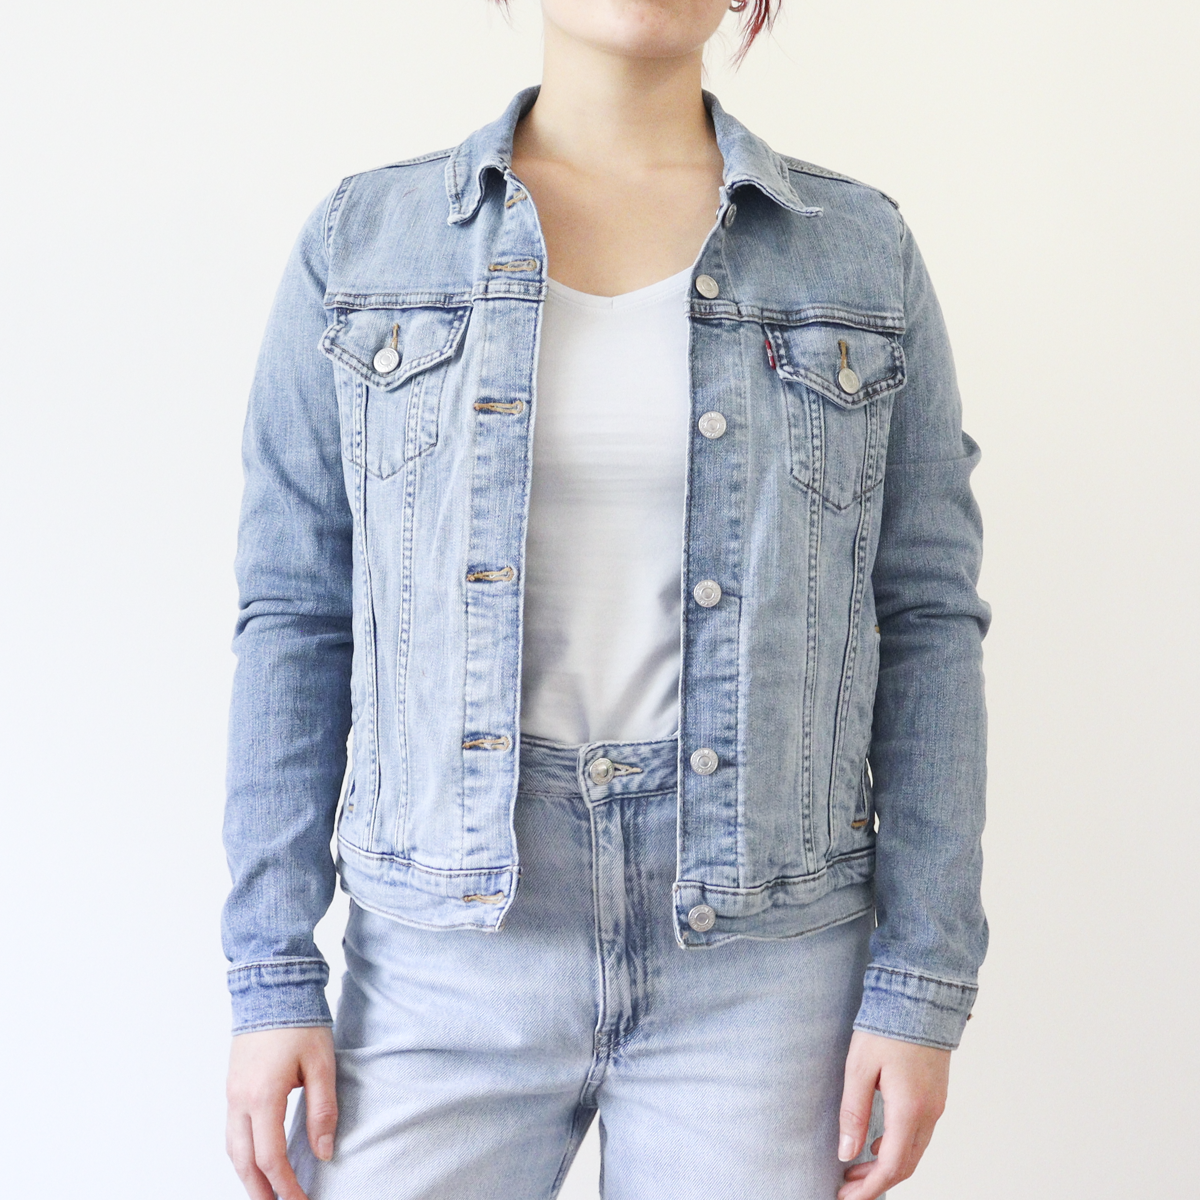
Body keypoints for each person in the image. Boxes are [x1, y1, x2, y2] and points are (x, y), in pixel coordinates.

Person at [221, 2, 990, 1198]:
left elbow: (929, 618)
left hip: (766, 955)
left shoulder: (858, 251)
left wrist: (921, 984)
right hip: (446, 950)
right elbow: (296, 614)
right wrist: (270, 974)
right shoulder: (367, 243)